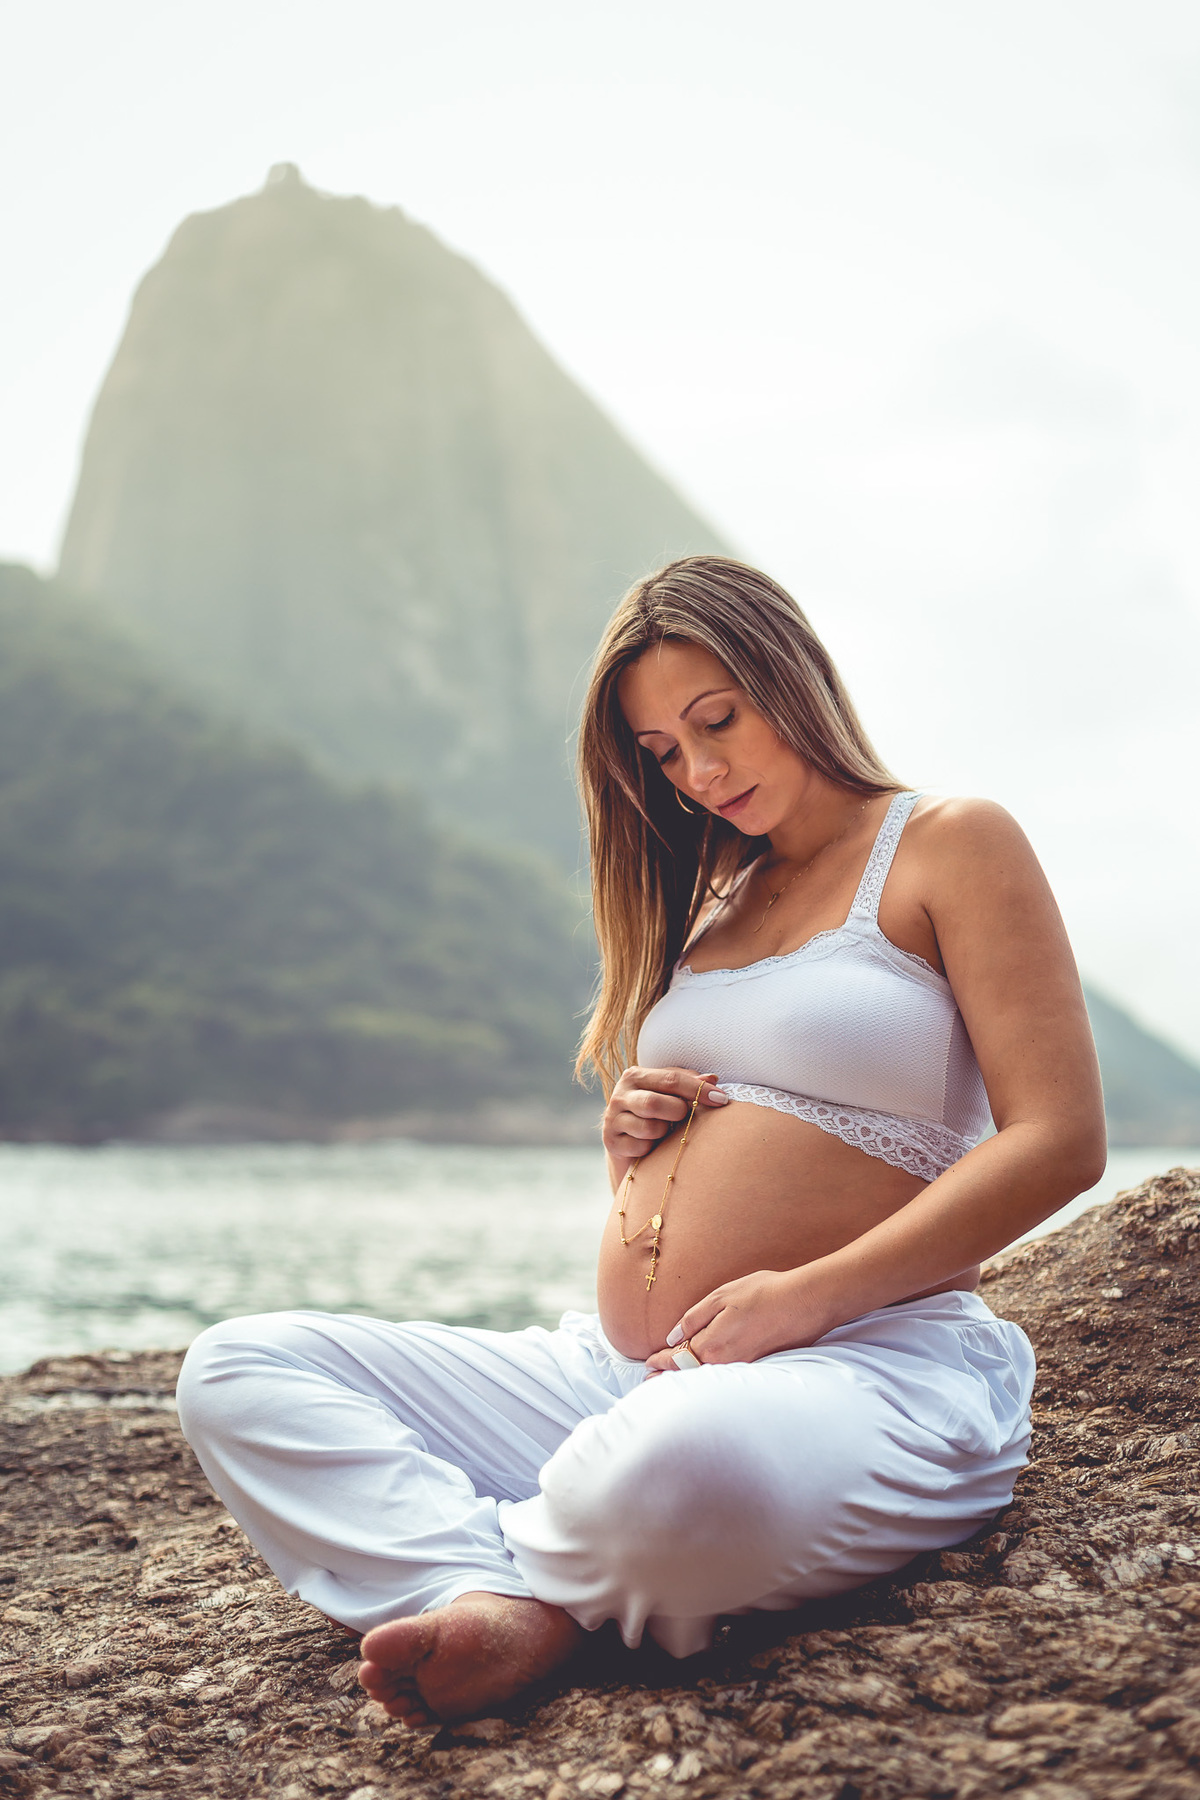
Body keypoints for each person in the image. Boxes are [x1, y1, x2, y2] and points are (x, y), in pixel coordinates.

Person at [176, 556, 1106, 1726]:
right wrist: (633, 1149)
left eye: (718, 721)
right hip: (633, 1373)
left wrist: (805, 1299)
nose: (699, 772)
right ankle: (489, 1590)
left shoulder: (949, 843)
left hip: (862, 1366)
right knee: (241, 1369)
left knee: (680, 1463)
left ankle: (531, 1582)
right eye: (663, 752)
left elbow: (1060, 1141)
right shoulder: (712, 888)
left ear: (795, 678)